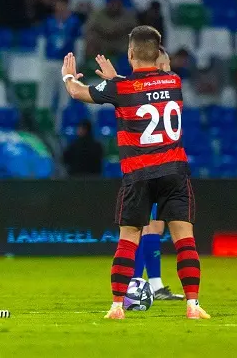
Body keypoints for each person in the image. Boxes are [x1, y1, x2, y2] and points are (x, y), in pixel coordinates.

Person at [61, 25, 210, 320]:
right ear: (158, 55)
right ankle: (192, 305)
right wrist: (118, 78)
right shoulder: (175, 81)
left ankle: (117, 306)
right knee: (184, 238)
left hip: (139, 174)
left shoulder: (121, 88)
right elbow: (150, 91)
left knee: (128, 238)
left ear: (130, 53)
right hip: (174, 173)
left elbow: (77, 92)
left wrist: (68, 75)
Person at [95, 47, 184, 300]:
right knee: (144, 228)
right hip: (147, 167)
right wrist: (114, 81)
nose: (168, 70)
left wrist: (116, 81)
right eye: (164, 65)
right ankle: (136, 285)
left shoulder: (163, 85)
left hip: (160, 165)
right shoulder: (153, 86)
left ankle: (150, 284)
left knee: (153, 226)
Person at [39, 0, 81, 110]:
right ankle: (44, 118)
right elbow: (42, 42)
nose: (60, 7)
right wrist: (41, 61)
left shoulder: (74, 22)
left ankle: (62, 122)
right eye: (58, 5)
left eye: (63, 5)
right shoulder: (49, 22)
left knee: (65, 97)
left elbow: (79, 43)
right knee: (45, 93)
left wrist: (79, 61)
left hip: (67, 63)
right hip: (50, 61)